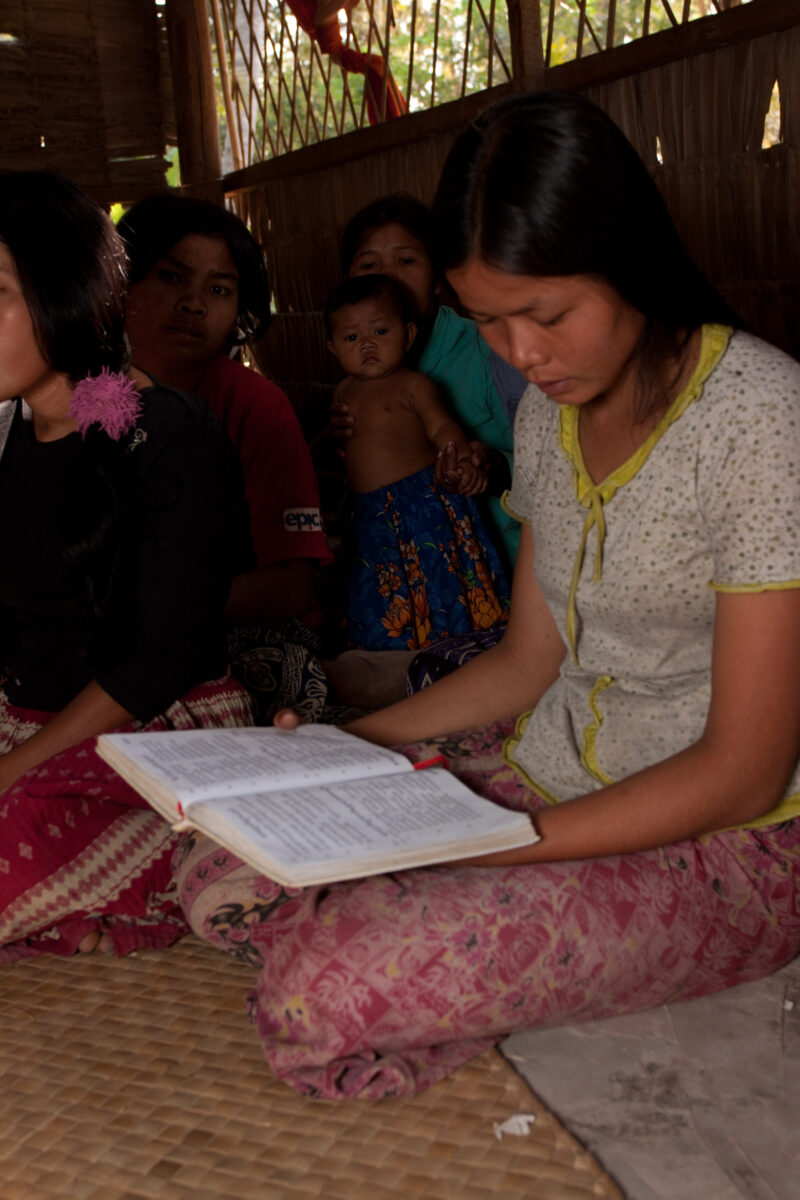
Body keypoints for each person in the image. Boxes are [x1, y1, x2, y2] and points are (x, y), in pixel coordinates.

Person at [175, 89, 800, 1101]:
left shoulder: (759, 420)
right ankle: (416, 906)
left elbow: (740, 771)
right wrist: (336, 750)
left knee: (316, 994)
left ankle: (419, 924)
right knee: (218, 866)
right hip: (545, 769)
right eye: (487, 322)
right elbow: (523, 660)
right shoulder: (553, 425)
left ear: (625, 259)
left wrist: (495, 853)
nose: (518, 357)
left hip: (726, 845)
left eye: (543, 315)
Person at [0, 171, 255, 961]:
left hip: (147, 732)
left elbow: (159, 658)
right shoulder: (18, 426)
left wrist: (12, 767)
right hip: (28, 724)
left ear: (65, 292)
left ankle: (203, 856)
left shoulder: (167, 438)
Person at [117, 194, 332, 721]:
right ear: (121, 284)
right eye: (171, 277)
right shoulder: (77, 395)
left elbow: (289, 586)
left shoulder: (256, 407)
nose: (194, 303)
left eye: (218, 289)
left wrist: (141, 607)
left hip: (227, 631)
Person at [325, 274, 509, 650]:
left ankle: (452, 648)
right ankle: (396, 652)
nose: (368, 344)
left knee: (438, 581)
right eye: (351, 338)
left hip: (422, 507)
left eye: (380, 331)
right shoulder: (343, 392)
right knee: (384, 586)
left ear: (408, 336)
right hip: (370, 513)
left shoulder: (413, 385)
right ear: (332, 349)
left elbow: (442, 427)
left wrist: (461, 464)